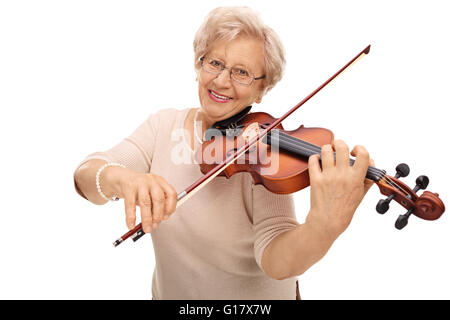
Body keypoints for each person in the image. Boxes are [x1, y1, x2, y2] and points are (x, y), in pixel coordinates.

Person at [73, 6, 374, 300]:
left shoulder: (263, 154)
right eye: (214, 63)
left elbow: (276, 261)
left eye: (241, 72)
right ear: (198, 64)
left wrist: (324, 225)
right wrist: (123, 180)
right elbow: (86, 176)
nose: (220, 81)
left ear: (262, 90)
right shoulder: (164, 126)